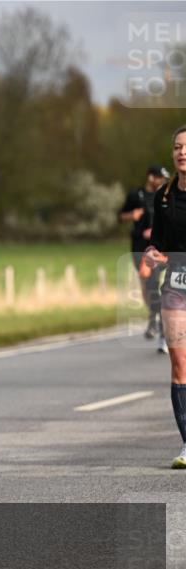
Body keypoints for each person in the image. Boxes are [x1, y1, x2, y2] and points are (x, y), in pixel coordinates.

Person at [143, 124, 186, 470]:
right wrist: (151, 254)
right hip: (175, 286)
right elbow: (155, 241)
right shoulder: (164, 196)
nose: (182, 152)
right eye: (177, 147)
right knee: (180, 365)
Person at [120, 164, 169, 348]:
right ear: (151, 177)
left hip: (157, 248)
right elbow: (121, 216)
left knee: (153, 282)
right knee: (146, 285)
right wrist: (132, 215)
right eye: (159, 178)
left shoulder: (164, 196)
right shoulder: (136, 195)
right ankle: (157, 317)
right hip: (138, 247)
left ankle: (155, 321)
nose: (162, 181)